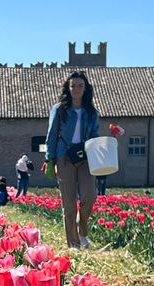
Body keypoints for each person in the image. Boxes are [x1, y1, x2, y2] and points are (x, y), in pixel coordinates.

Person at [45, 71, 100, 251]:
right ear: (68, 89)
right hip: (64, 157)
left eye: (80, 86)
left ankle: (83, 232)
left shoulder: (91, 112)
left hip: (85, 158)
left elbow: (95, 135)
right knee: (68, 203)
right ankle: (74, 243)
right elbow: (52, 134)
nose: (76, 89)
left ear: (86, 89)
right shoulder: (59, 109)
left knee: (89, 196)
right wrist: (50, 159)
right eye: (73, 85)